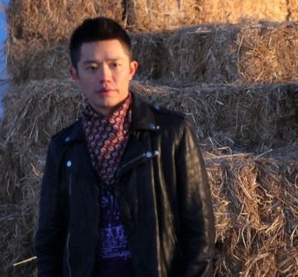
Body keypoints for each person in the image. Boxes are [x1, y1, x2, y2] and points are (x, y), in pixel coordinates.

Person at [35, 17, 215, 276]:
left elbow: (199, 228)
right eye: (92, 67)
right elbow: (49, 239)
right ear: (75, 75)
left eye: (114, 65)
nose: (105, 77)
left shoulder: (171, 133)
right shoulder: (63, 148)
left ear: (131, 69)